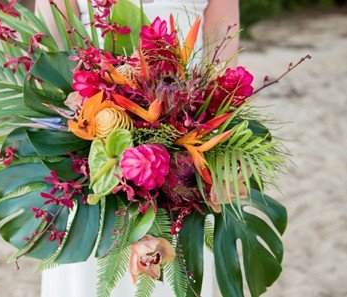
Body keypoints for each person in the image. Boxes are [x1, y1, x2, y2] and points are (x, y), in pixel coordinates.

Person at [35, 1, 240, 296]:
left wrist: (203, 131)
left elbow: (223, 45)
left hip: (188, 144)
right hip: (91, 146)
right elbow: (49, 49)